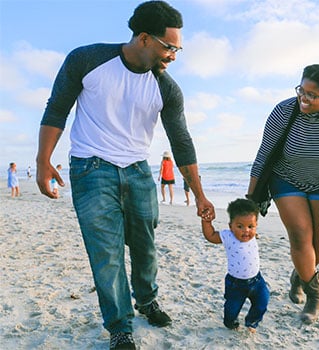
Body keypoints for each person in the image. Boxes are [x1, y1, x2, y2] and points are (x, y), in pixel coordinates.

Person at [35, 1, 215, 349]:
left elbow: (181, 141)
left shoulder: (166, 88)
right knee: (106, 253)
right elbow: (57, 108)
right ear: (144, 38)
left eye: (178, 48)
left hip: (137, 172)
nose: (174, 55)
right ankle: (120, 326)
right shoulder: (86, 60)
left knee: (146, 248)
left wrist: (200, 194)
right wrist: (44, 160)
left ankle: (146, 300)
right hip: (90, 169)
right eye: (169, 47)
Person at [247, 64, 319, 324]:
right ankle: (315, 295)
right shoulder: (284, 111)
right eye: (301, 90)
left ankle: (300, 275)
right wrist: (250, 202)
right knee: (300, 235)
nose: (304, 98)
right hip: (285, 180)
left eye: (312, 95)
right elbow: (264, 155)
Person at [201, 198, 269, 333]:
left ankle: (251, 322)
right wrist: (206, 222)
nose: (246, 231)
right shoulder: (228, 236)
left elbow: (251, 230)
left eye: (251, 226)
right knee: (232, 309)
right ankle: (231, 323)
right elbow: (211, 236)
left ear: (256, 226)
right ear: (231, 225)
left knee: (262, 302)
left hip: (257, 280)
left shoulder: (253, 235)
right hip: (236, 284)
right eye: (240, 226)